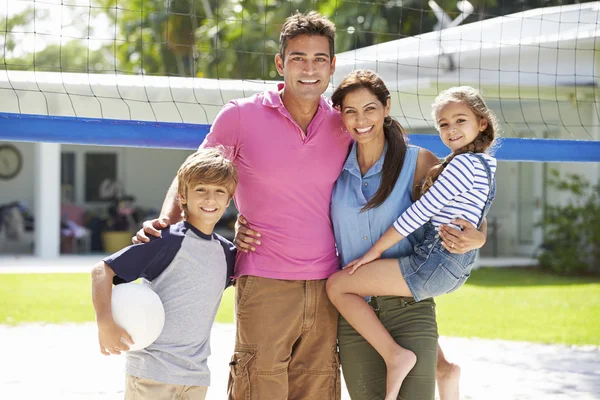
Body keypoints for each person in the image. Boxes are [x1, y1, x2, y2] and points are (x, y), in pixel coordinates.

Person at [134, 11, 349, 399]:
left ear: (332, 66)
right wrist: (168, 220)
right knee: (258, 389)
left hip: (327, 285)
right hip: (264, 280)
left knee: (318, 390)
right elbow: (193, 174)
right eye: (298, 57)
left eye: (320, 59)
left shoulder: (344, 124)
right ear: (280, 63)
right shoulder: (240, 115)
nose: (309, 68)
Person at [326, 80, 498, 400]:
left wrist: (479, 239)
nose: (361, 120)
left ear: (386, 108)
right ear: (340, 115)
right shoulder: (333, 163)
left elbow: (463, 210)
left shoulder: (421, 161)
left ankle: (430, 364)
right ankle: (442, 367)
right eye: (351, 111)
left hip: (408, 300)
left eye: (370, 109)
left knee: (340, 285)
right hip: (361, 310)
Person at [91, 148, 237, 400]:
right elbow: (101, 270)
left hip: (195, 377)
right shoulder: (166, 240)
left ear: (229, 200)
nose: (210, 198)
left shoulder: (226, 253)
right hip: (152, 371)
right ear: (183, 195)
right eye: (201, 189)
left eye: (219, 191)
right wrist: (105, 322)